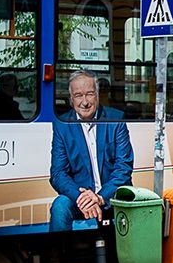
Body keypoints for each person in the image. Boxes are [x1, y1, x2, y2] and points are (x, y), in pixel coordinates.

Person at [48, 69, 134, 232]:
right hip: (80, 196)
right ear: (71, 99)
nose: (85, 101)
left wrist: (100, 197)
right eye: (79, 95)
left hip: (112, 194)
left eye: (89, 94)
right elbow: (58, 173)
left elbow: (124, 168)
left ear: (97, 95)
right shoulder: (62, 125)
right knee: (60, 206)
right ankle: (57, 256)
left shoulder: (116, 119)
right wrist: (81, 198)